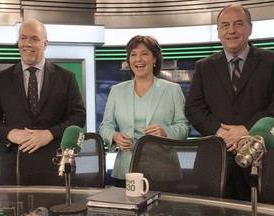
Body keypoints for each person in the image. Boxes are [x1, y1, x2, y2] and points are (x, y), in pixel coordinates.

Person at [185, 4, 274, 201]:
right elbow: (193, 107)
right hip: (215, 161)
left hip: (261, 161)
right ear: (218, 32)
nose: (231, 30)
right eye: (225, 25)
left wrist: (247, 130)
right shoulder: (204, 66)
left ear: (250, 28)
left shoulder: (270, 61)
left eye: (238, 24)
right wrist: (221, 133)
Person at [0, 19, 86, 185]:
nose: (27, 44)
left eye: (34, 39)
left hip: (54, 162)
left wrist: (49, 134)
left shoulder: (66, 77)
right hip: (14, 164)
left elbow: (78, 117)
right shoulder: (1, 79)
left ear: (45, 44)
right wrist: (11, 133)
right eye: (23, 38)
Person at [99, 35, 190, 187]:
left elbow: (184, 127)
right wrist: (114, 136)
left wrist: (165, 132)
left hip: (164, 170)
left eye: (144, 54)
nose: (138, 59)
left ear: (155, 58)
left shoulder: (172, 90)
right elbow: (105, 126)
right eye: (133, 54)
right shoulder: (116, 91)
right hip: (126, 170)